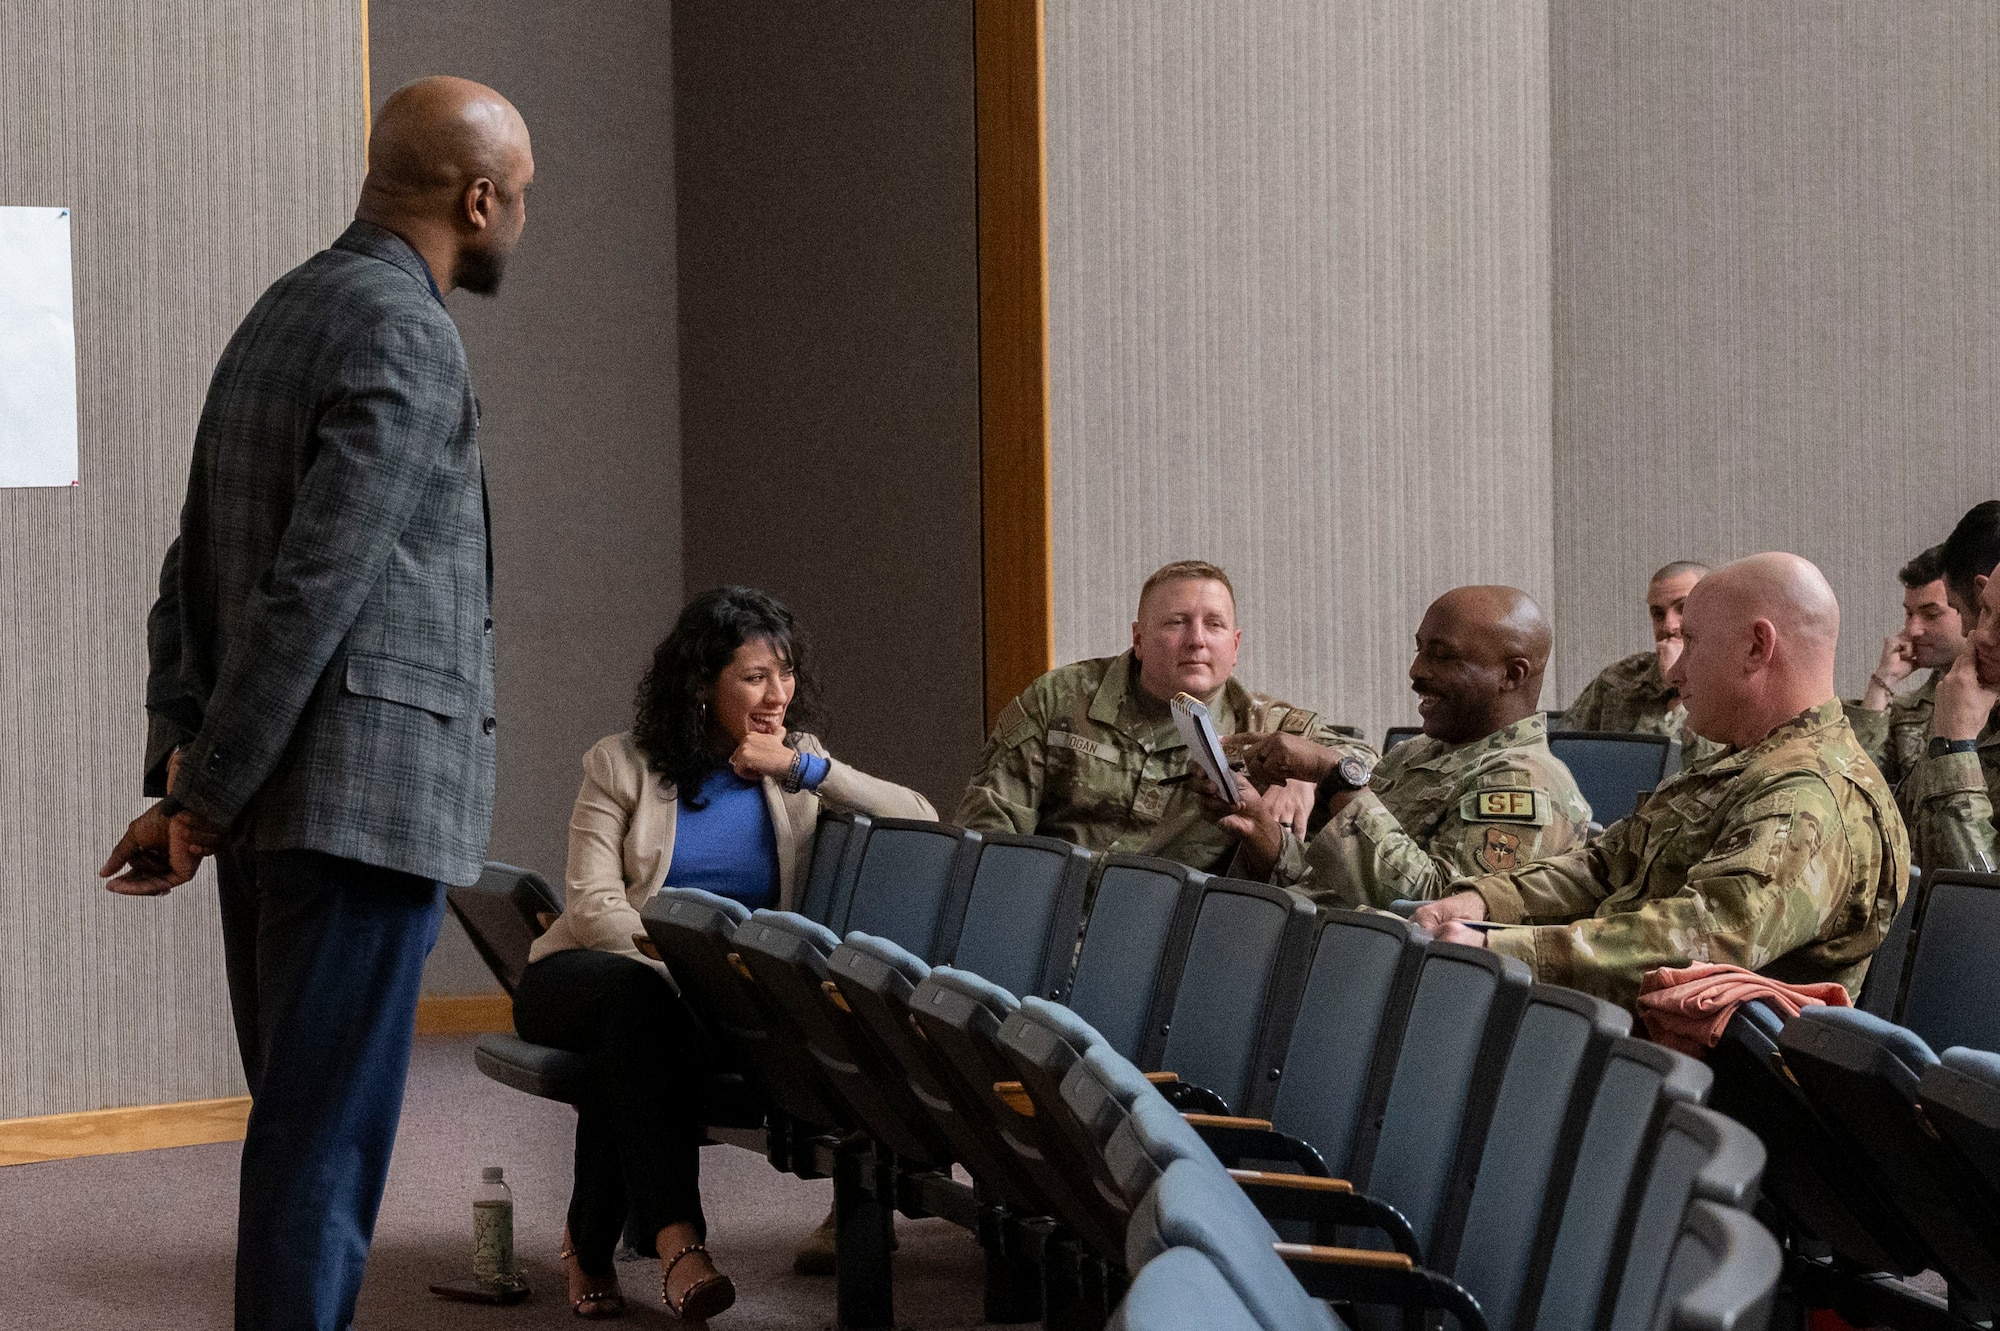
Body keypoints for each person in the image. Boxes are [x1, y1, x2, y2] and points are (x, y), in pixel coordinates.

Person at [97, 77, 531, 1331]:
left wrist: (185, 767)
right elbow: (313, 590)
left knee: (297, 1130)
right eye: (523, 198)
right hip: (357, 807)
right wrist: (206, 791)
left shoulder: (282, 308)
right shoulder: (406, 331)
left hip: (268, 799)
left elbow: (193, 562)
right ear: (478, 195)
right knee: (323, 1150)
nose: (520, 222)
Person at [519, 587, 936, 1317]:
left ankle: (588, 1245)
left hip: (709, 1003)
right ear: (700, 683)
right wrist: (686, 964)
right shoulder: (620, 763)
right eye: (753, 677)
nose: (777, 693)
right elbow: (591, 906)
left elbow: (921, 817)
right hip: (583, 974)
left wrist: (805, 769)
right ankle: (680, 1243)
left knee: (635, 1046)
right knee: (637, 1002)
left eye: (786, 673)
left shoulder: (795, 766)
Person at [1409, 554, 1905, 1010]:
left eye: (1692, 641)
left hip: (1706, 1082)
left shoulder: (1808, 797)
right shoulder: (1747, 762)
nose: (1677, 670)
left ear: (1757, 647)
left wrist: (1500, 948)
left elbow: (1703, 940)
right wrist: (1484, 900)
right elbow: (1607, 864)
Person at [954, 560, 1373, 873]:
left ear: (1235, 645)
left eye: (1214, 625)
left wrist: (1310, 773)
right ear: (1138, 638)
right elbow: (990, 826)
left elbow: (1373, 765)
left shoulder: (1262, 724)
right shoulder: (1061, 698)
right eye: (1176, 623)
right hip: (1052, 915)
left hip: (1179, 941)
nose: (1196, 640)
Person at [1200, 586, 1591, 907]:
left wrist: (1338, 777)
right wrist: (1258, 828)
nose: (1417, 671)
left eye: (1441, 656)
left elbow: (1438, 914)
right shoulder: (1416, 752)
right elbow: (1337, 888)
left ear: (1511, 674)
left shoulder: (1524, 784)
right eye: (1419, 649)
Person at [1903, 501, 2000, 874]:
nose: (1976, 635)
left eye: (1937, 612)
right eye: (1988, 611)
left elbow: (1980, 905)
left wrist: (1955, 747)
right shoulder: (1966, 701)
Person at [1842, 544, 1964, 798]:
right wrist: (1882, 683)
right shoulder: (1907, 713)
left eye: (1931, 614)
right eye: (1909, 614)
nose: (1913, 630)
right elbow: (1851, 791)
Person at [1564, 561, 1710, 746]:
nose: (1668, 626)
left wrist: (1679, 681)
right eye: (1658, 614)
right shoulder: (1619, 679)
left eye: (1682, 608)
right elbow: (1563, 749)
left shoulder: (1734, 681)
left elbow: (1705, 767)